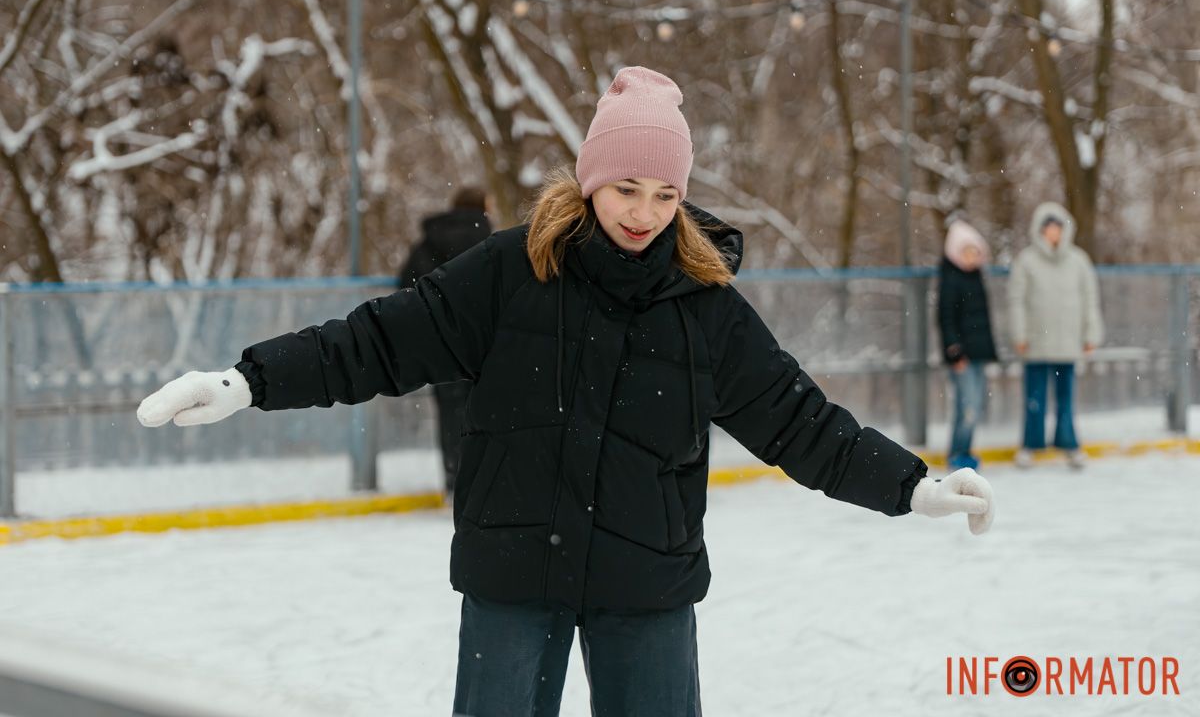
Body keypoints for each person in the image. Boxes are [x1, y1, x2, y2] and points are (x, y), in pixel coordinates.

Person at [137, 67, 995, 717]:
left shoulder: (706, 310)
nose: (644, 212)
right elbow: (375, 342)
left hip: (646, 585)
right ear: (591, 179)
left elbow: (800, 423)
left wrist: (910, 484)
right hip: (514, 572)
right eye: (627, 187)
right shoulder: (513, 272)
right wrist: (247, 381)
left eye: (666, 194)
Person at [397, 187, 493, 497]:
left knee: (450, 413)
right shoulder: (491, 243)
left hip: (441, 345)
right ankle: (482, 481)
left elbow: (406, 288)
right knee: (487, 411)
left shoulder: (429, 243)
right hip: (485, 346)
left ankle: (454, 480)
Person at [1007, 202, 1104, 470]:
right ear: (1039, 230)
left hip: (1067, 343)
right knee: (1034, 398)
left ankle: (1069, 443)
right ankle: (1030, 444)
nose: (1053, 233)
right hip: (1036, 343)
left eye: (1057, 227)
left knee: (1066, 399)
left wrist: (1090, 333)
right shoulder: (1026, 261)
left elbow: (1089, 299)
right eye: (1048, 227)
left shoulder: (1078, 261)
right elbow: (1017, 300)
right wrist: (1020, 333)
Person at [937, 220, 999, 472]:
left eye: (975, 252)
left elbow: (982, 319)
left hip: (978, 353)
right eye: (966, 252)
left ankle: (964, 450)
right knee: (968, 404)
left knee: (974, 403)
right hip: (962, 356)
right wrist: (954, 350)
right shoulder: (951, 280)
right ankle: (957, 451)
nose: (971, 257)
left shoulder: (976, 278)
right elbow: (946, 318)